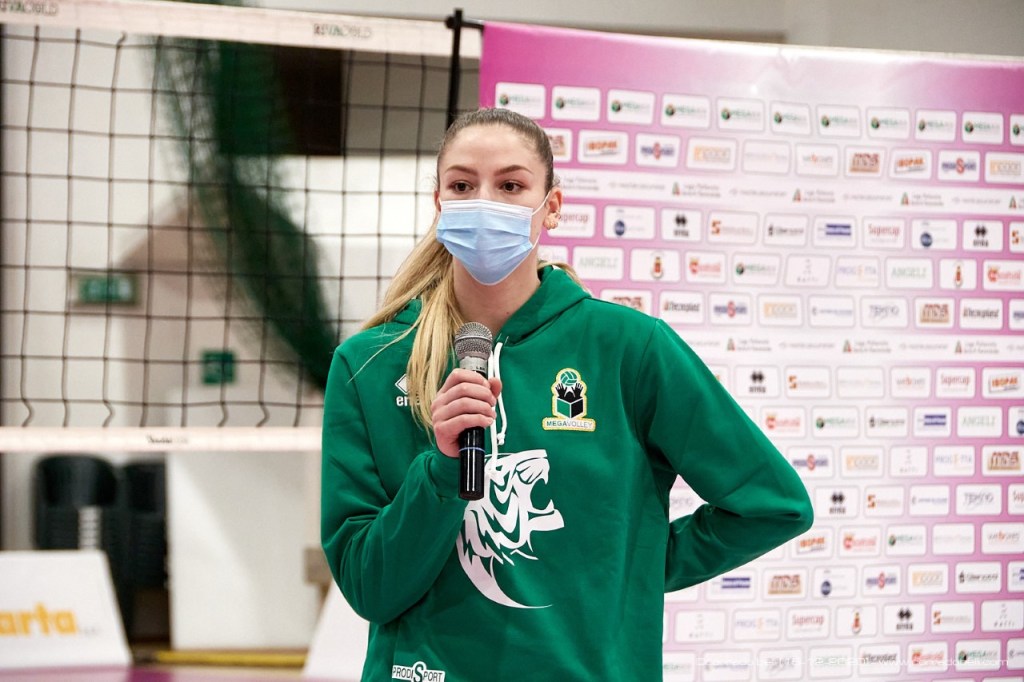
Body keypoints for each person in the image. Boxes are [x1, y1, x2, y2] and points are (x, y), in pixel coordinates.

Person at [321, 107, 813, 681]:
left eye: (510, 186)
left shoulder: (629, 348)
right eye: (462, 186)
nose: (484, 202)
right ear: (439, 204)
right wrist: (442, 473)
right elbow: (369, 589)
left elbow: (772, 505)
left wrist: (628, 568)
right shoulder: (368, 364)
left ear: (551, 206)